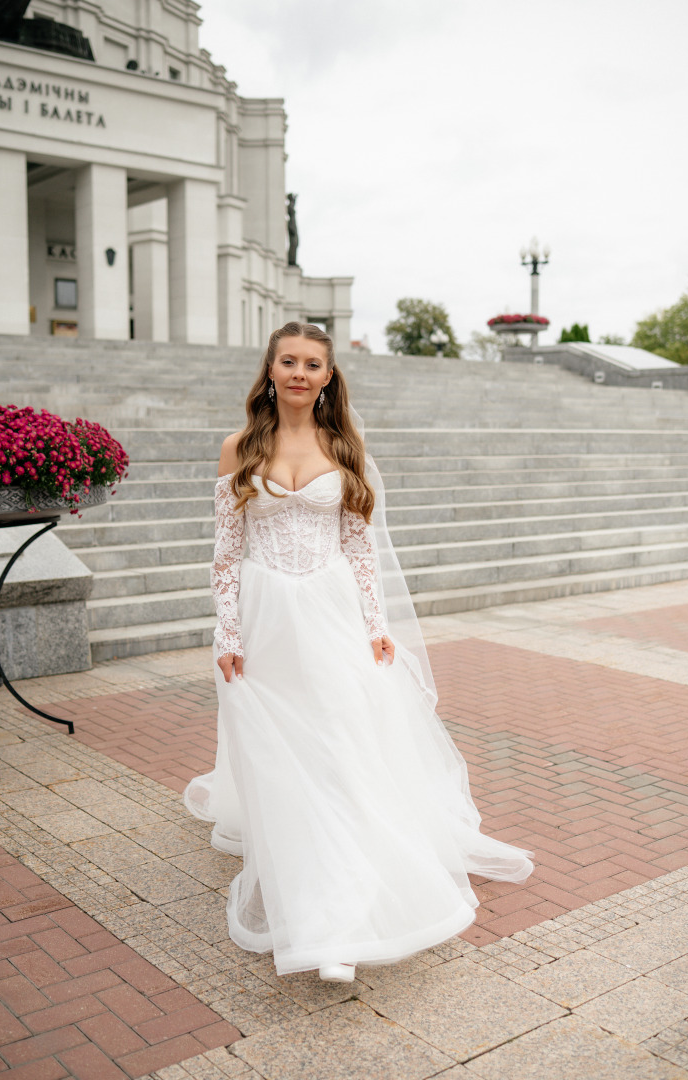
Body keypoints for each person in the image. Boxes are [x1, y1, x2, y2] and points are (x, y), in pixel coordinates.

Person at [183, 322, 534, 983]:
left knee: (339, 743)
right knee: (281, 750)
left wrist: (376, 623)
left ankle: (339, 912)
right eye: (288, 361)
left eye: (312, 364)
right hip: (263, 620)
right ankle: (311, 892)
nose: (299, 372)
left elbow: (359, 544)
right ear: (270, 370)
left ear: (327, 377)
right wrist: (226, 632)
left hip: (331, 611)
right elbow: (226, 552)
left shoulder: (343, 444)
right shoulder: (237, 448)